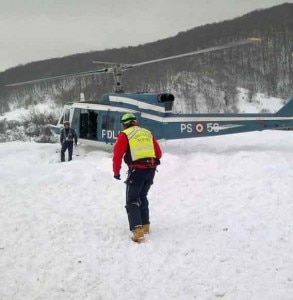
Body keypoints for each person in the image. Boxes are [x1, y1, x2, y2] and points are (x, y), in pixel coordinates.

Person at [112, 113, 162, 242]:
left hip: (136, 171)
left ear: (124, 124)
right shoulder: (147, 132)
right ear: (135, 122)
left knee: (132, 200)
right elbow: (159, 153)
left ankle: (137, 230)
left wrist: (116, 172)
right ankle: (145, 225)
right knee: (142, 196)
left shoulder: (125, 135)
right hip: (151, 170)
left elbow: (117, 155)